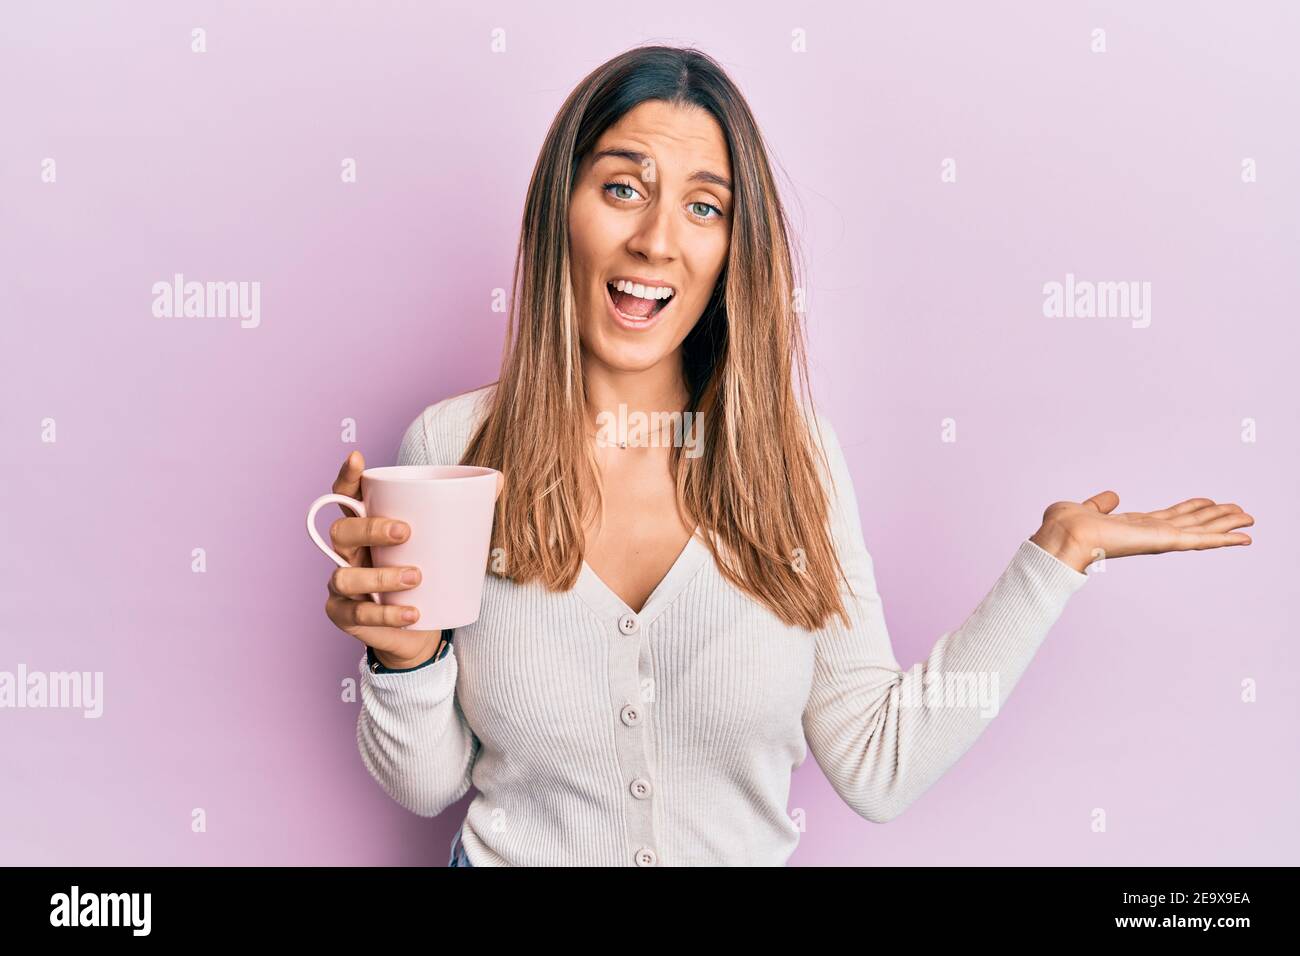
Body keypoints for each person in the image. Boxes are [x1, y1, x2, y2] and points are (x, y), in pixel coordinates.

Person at [320, 45, 1254, 867]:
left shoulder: (791, 461)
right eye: (621, 188)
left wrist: (1054, 562)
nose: (656, 239)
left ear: (735, 247)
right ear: (558, 210)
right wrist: (402, 659)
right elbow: (425, 784)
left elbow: (878, 763)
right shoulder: (452, 450)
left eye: (704, 207)